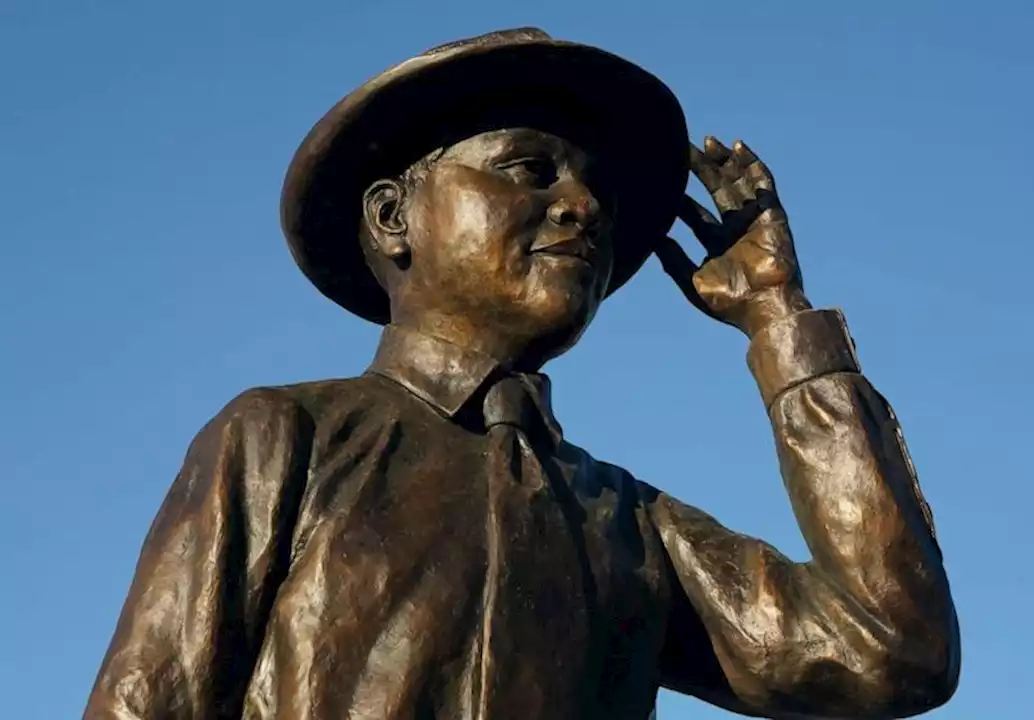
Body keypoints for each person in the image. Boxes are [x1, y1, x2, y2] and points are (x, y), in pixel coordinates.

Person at [86, 27, 959, 720]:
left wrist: (781, 324)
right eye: (528, 170)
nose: (581, 207)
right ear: (395, 217)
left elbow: (890, 650)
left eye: (598, 197)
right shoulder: (287, 440)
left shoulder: (630, 525)